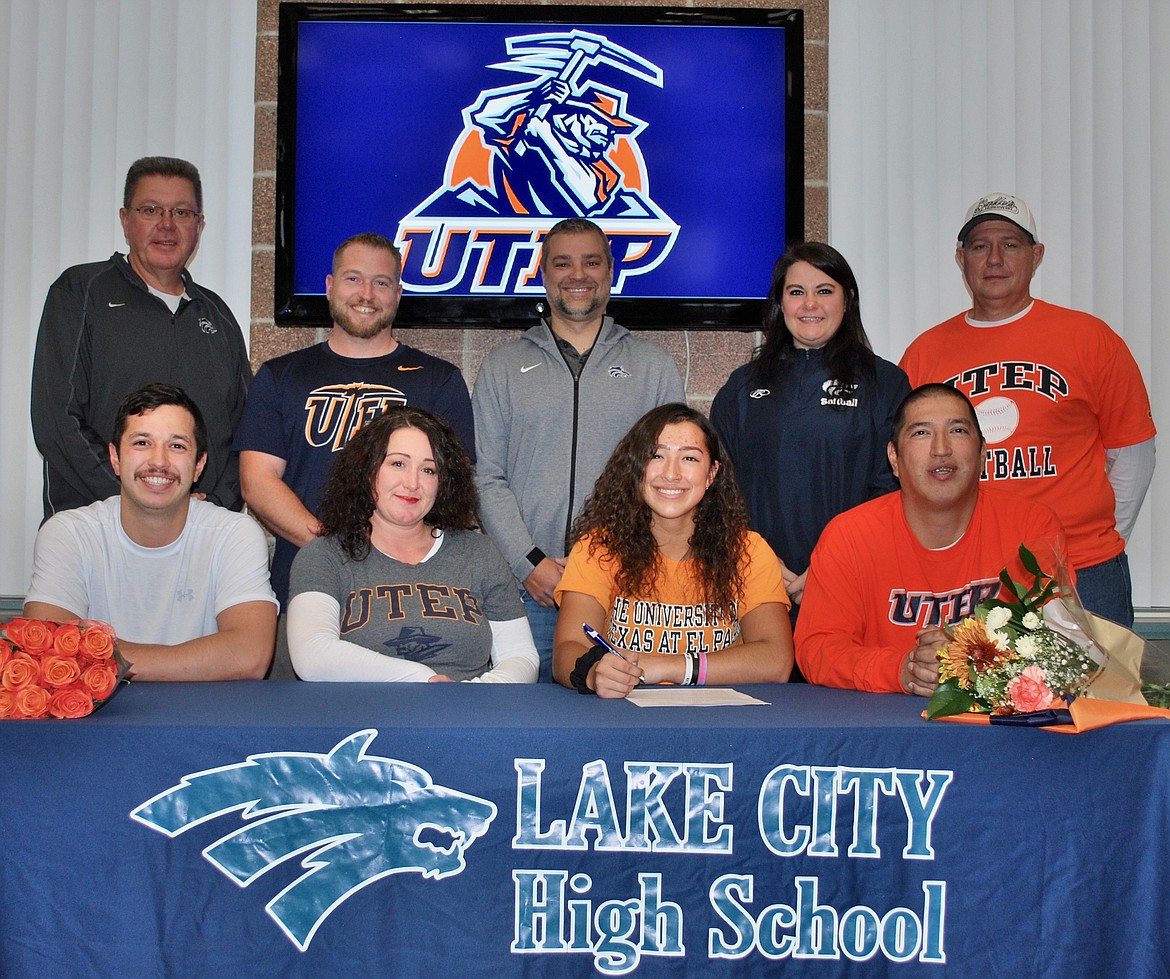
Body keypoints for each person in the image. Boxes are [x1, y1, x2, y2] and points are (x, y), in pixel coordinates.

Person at [900, 193, 1156, 626]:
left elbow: (1133, 453)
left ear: (1036, 256)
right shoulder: (925, 353)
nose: (995, 259)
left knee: (1095, 694)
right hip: (972, 572)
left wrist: (1094, 542)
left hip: (1081, 568)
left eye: (1011, 244)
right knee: (970, 693)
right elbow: (910, 464)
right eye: (980, 246)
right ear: (961, 258)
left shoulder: (1091, 340)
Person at [473, 217, 685, 680]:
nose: (578, 275)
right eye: (562, 263)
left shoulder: (652, 366)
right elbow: (486, 476)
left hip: (625, 591)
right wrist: (531, 563)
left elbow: (673, 478)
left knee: (620, 725)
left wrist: (618, 564)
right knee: (521, 727)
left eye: (591, 262)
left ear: (611, 271)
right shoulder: (503, 366)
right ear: (543, 273)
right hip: (525, 590)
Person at [235, 231, 475, 619]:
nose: (366, 293)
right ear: (330, 287)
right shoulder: (280, 376)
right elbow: (257, 481)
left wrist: (385, 558)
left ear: (397, 293)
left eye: (381, 283)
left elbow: (453, 490)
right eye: (353, 279)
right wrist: (333, 548)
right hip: (305, 588)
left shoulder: (439, 380)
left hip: (409, 596)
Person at [795, 384, 1068, 696]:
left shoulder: (1031, 527)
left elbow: (1058, 640)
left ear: (982, 454)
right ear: (894, 459)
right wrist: (902, 669)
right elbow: (818, 649)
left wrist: (973, 656)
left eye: (958, 430)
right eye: (921, 433)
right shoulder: (849, 536)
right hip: (884, 728)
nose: (941, 448)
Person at [31, 156, 251, 518]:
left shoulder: (216, 314)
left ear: (199, 225)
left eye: (181, 213)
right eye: (151, 210)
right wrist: (142, 501)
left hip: (198, 533)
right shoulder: (80, 292)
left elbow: (242, 433)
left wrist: (211, 506)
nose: (167, 225)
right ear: (125, 220)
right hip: (96, 528)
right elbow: (58, 420)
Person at [711, 241, 910, 637]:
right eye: (796, 292)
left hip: (853, 583)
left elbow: (893, 489)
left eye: (824, 291)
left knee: (845, 696)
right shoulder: (742, 387)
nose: (809, 305)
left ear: (847, 299)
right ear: (779, 303)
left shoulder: (886, 383)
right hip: (758, 587)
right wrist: (760, 563)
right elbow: (718, 488)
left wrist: (827, 565)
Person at [24, 383, 277, 681]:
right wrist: (204, 660)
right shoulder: (68, 534)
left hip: (205, 718)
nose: (159, 461)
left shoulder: (234, 535)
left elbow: (249, 656)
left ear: (199, 466)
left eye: (177, 446)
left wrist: (100, 656)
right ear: (115, 458)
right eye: (142, 443)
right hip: (99, 722)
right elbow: (48, 651)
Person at [552, 403, 794, 697]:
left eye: (689, 458)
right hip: (623, 719)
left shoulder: (749, 551)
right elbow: (567, 650)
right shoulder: (597, 548)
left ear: (712, 473)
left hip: (723, 725)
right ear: (636, 468)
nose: (671, 473)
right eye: (656, 456)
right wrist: (592, 673)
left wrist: (669, 667)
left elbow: (776, 660)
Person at [287, 406, 537, 683]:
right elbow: (312, 655)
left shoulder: (479, 552)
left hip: (468, 713)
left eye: (429, 470)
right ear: (368, 470)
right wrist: (421, 680)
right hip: (362, 718)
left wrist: (471, 694)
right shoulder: (324, 556)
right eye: (397, 464)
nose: (412, 483)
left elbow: (521, 657)